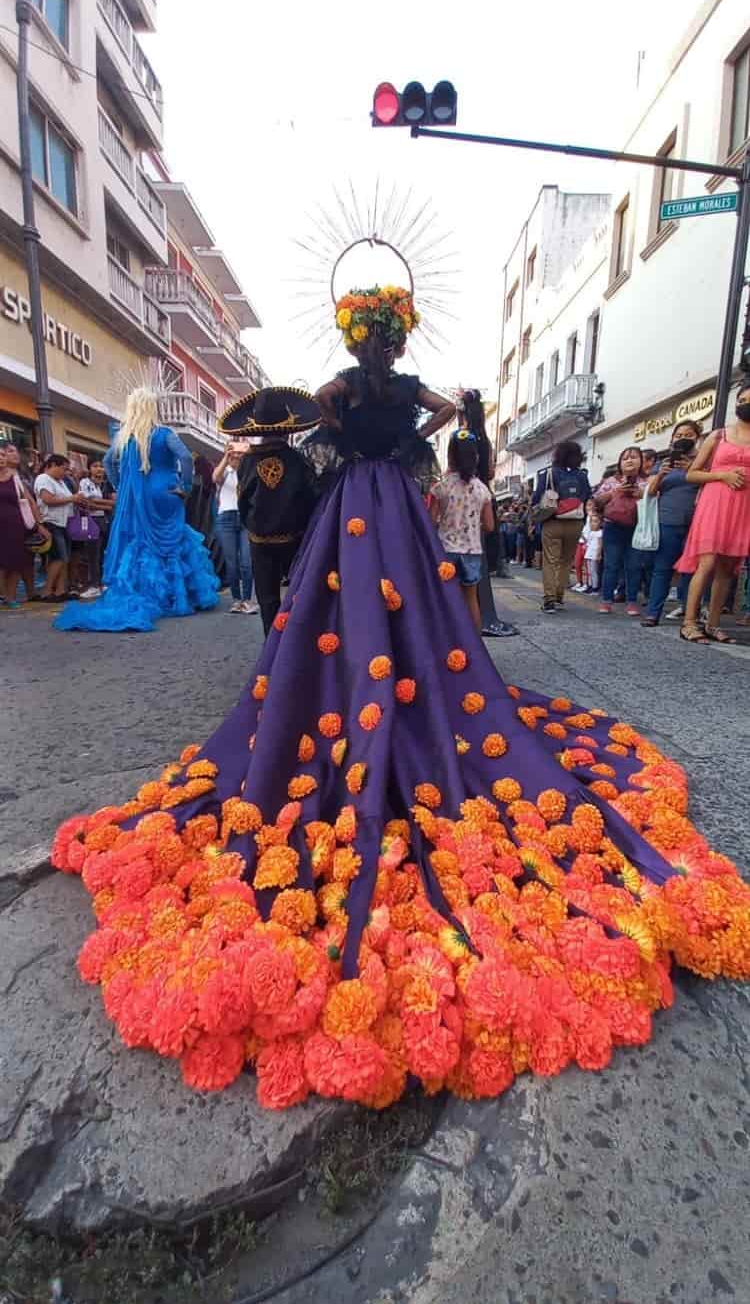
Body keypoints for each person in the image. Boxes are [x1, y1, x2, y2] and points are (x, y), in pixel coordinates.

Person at [49, 281, 750, 1114]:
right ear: (386, 335)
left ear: (363, 334)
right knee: (398, 601)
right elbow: (442, 407)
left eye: (376, 337)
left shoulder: (347, 387)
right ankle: (376, 676)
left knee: (357, 603)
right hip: (387, 501)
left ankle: (358, 678)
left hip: (356, 498)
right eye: (380, 337)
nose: (379, 348)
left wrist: (344, 436)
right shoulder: (397, 387)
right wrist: (400, 434)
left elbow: (315, 416)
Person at [54, 387, 219, 632]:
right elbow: (185, 457)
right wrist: (184, 486)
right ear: (153, 408)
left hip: (139, 494)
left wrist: (123, 486)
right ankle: (181, 597)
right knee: (174, 541)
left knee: (141, 541)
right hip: (166, 490)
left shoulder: (126, 437)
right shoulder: (164, 433)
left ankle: (148, 595)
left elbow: (110, 462)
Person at [223, 393, 320, 635]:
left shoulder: (247, 461)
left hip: (260, 541)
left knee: (267, 600)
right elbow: (311, 498)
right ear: (287, 430)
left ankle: (272, 651)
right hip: (296, 539)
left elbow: (242, 501)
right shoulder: (298, 459)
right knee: (300, 595)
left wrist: (253, 526)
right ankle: (298, 646)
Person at [676, 391, 750, 644]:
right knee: (706, 564)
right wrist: (722, 476)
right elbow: (692, 474)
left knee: (727, 570)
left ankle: (713, 624)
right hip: (715, 504)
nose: (745, 405)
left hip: (744, 508)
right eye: (742, 400)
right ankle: (688, 622)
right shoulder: (718, 436)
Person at [458, 389, 517, 635]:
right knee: (477, 566)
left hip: (458, 505)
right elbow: (491, 472)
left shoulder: (460, 436)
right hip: (480, 505)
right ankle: (483, 617)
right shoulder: (483, 439)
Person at [639, 421, 701, 628]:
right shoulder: (663, 463)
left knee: (692, 570)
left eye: (689, 434)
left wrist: (693, 468)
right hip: (667, 521)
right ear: (672, 439)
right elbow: (651, 491)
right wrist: (661, 474)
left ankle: (690, 612)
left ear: (697, 438)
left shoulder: (705, 460)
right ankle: (653, 612)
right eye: (679, 434)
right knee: (662, 569)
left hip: (696, 522)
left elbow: (710, 483)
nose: (683, 437)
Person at [432, 429, 495, 631]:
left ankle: (447, 645)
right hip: (472, 552)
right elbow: (490, 525)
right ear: (476, 457)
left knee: (443, 599)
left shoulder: (441, 487)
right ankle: (475, 647)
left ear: (450, 456)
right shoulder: (482, 489)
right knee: (471, 599)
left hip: (445, 550)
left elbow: (430, 520)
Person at [533, 440, 592, 613]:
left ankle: (549, 599)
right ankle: (559, 596)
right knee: (566, 561)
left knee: (550, 561)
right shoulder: (582, 475)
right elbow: (586, 495)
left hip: (553, 521)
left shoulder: (549, 474)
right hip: (575, 522)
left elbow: (537, 498)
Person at [594, 446, 646, 615]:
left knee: (634, 566)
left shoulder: (648, 481)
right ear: (620, 463)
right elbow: (597, 501)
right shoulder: (610, 481)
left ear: (641, 461)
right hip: (613, 526)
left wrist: (641, 494)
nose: (630, 460)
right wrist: (615, 492)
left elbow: (654, 501)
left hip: (637, 527)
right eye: (625, 458)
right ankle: (606, 600)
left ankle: (631, 601)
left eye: (634, 457)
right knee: (611, 565)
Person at [0, 443, 49, 606]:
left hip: (16, 525)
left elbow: (30, 502)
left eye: (2, 455)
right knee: (2, 564)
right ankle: (3, 595)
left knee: (15, 562)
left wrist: (39, 524)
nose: (2, 458)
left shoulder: (15, 478)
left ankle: (11, 597)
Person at [34, 454, 87, 602]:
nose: (65, 473)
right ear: (52, 466)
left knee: (65, 558)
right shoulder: (43, 479)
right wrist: (71, 498)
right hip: (52, 523)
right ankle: (47, 591)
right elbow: (48, 499)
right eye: (63, 469)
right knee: (58, 557)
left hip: (64, 523)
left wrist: (77, 498)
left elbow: (67, 498)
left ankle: (60, 590)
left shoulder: (61, 482)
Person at [213, 442, 257, 615]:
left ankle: (247, 600)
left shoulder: (247, 472)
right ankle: (237, 600)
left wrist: (247, 459)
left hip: (245, 519)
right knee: (232, 563)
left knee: (247, 562)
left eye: (240, 453)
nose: (237, 456)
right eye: (234, 452)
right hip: (226, 518)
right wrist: (226, 458)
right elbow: (215, 478)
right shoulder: (225, 471)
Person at [76, 459, 116, 600]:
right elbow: (86, 502)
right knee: (92, 555)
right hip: (91, 520)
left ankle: (103, 583)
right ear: (89, 468)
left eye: (101, 466)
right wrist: (106, 505)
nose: (99, 469)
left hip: (105, 521)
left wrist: (97, 502)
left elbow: (114, 503)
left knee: (104, 553)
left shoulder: (106, 484)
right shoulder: (85, 482)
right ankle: (94, 585)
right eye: (95, 466)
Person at [583, 510, 603, 592]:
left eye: (595, 521)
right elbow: (588, 543)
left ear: (600, 523)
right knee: (589, 571)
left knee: (594, 571)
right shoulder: (591, 533)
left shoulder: (600, 533)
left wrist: (598, 554)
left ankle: (595, 587)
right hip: (589, 553)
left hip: (594, 553)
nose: (593, 523)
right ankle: (590, 585)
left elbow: (600, 545)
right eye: (591, 521)